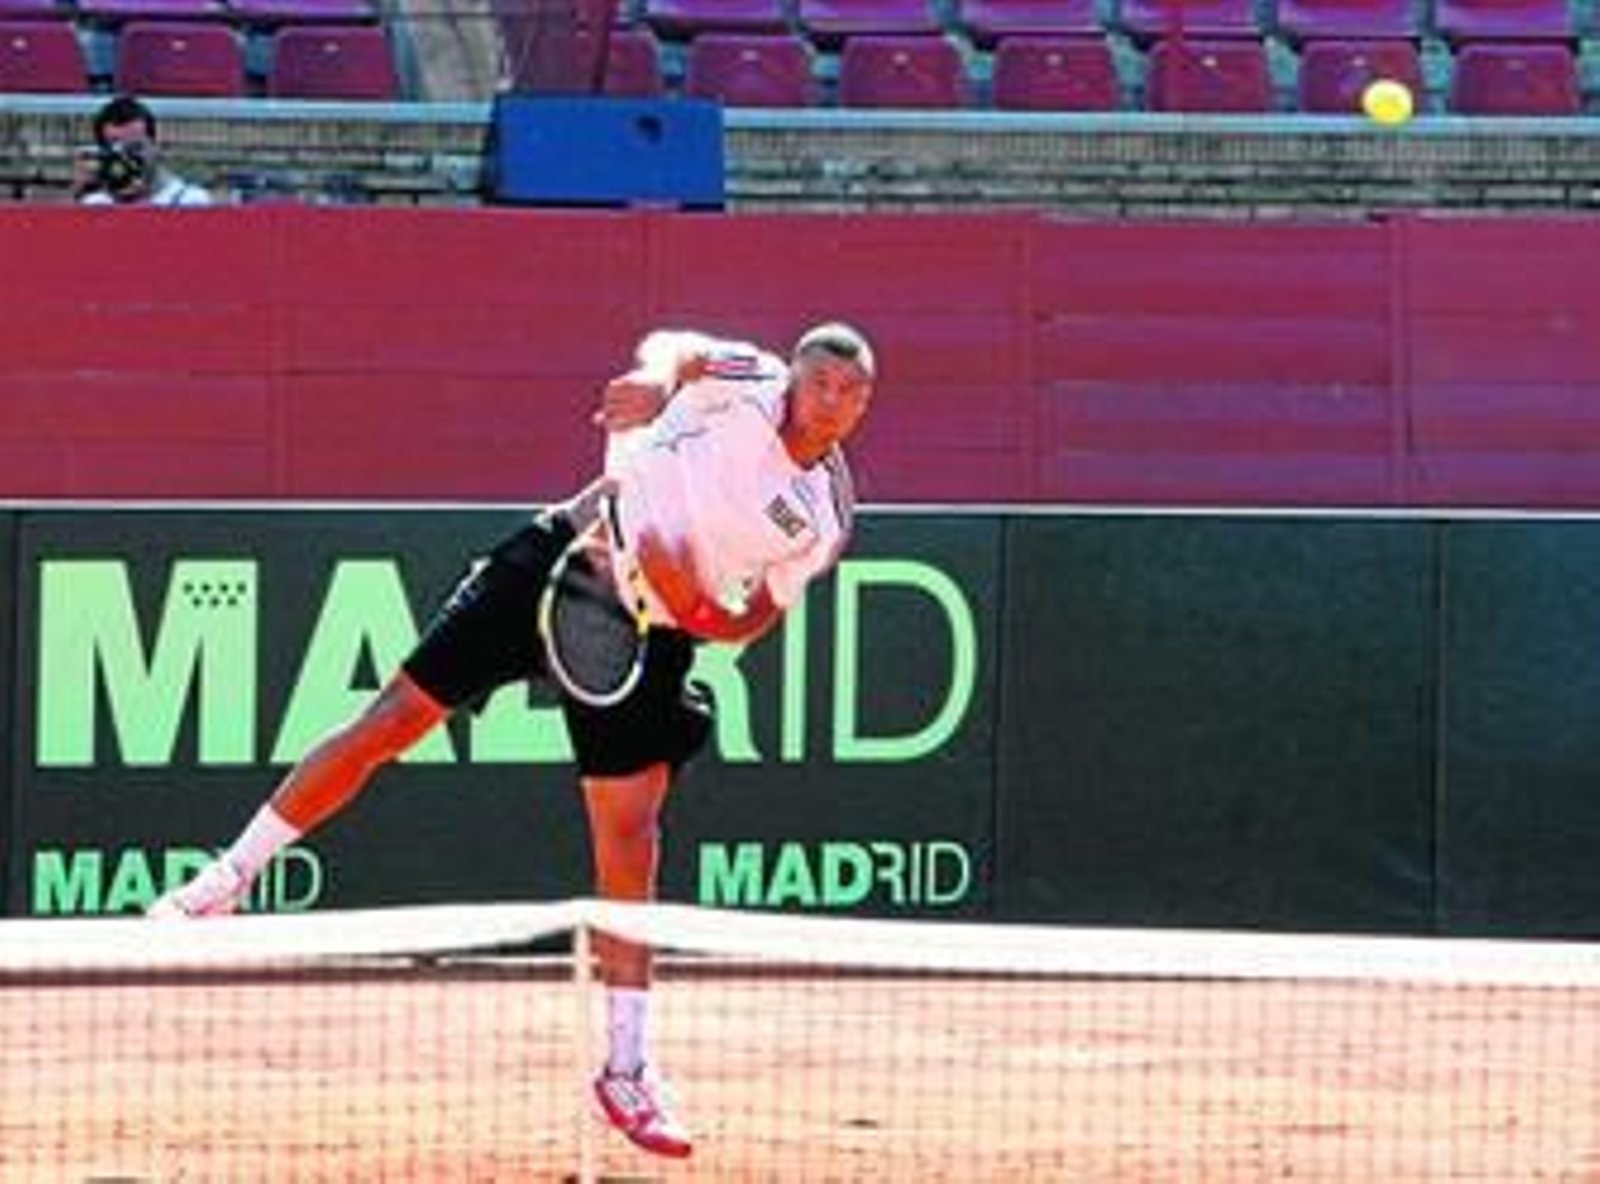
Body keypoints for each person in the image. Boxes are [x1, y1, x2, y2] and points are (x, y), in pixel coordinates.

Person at [148, 321, 877, 1159]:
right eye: (822, 382)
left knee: (630, 842)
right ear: (796, 376)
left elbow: (760, 612)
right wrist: (649, 385)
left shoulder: (825, 514)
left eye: (853, 393)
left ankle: (627, 1066)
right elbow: (671, 355)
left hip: (656, 629)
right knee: (392, 721)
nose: (834, 400)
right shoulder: (745, 378)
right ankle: (229, 876)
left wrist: (705, 612)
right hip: (570, 553)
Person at [73, 95, 213, 207]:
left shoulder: (190, 201)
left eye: (135, 148)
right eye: (116, 149)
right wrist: (78, 193)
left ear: (155, 146)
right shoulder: (96, 204)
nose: (126, 158)